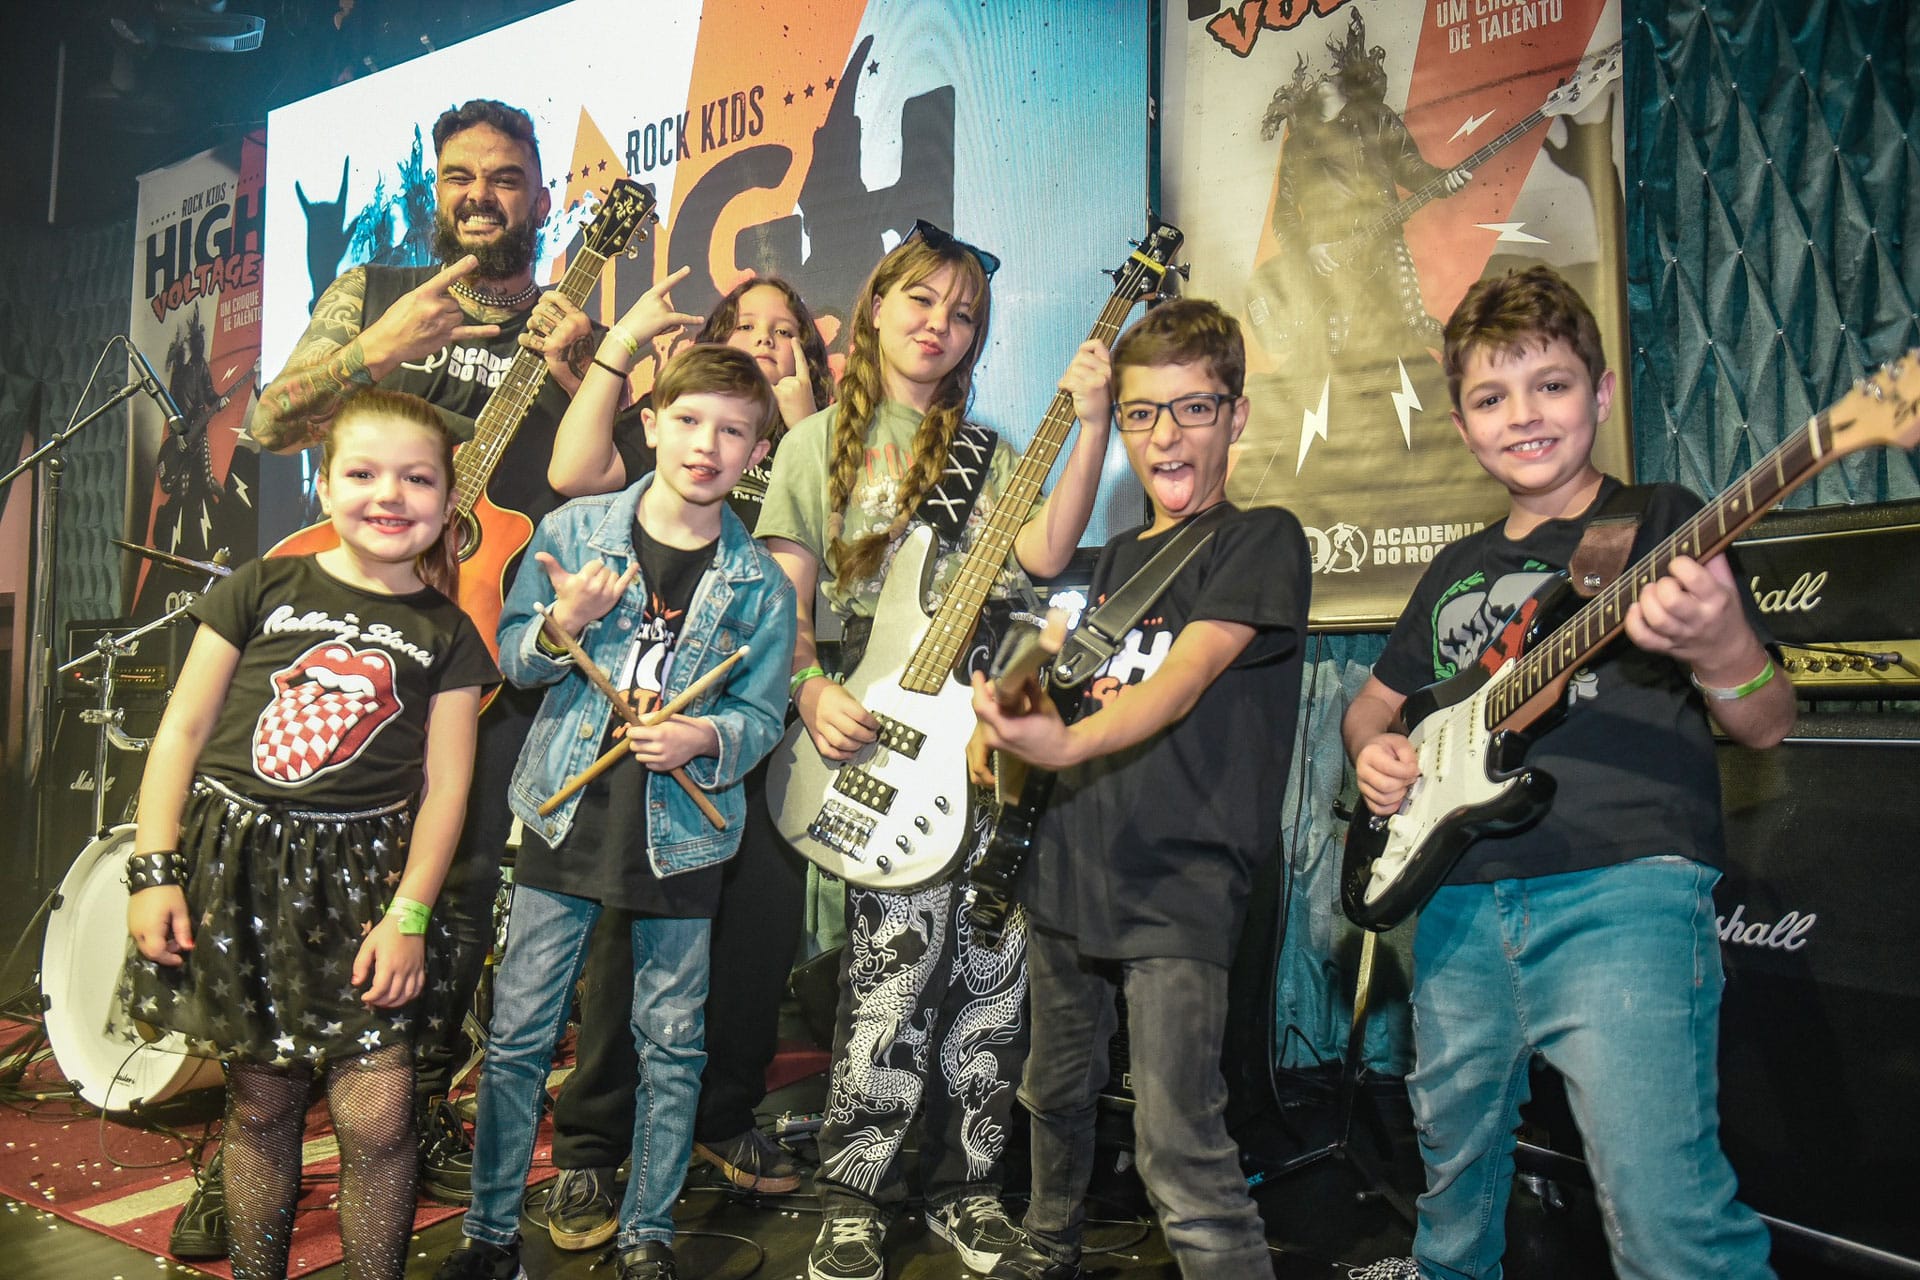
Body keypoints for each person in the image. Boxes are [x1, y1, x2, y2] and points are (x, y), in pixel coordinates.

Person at [1338, 265, 1792, 1280]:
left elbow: (1765, 722)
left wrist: (1722, 647)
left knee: (1665, 1216)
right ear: (1461, 426)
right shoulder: (1454, 567)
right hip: (1453, 903)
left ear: (1601, 392)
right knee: (1452, 1200)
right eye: (1492, 397)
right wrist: (1375, 747)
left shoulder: (1660, 516)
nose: (1524, 414)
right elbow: (1372, 702)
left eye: (1549, 383)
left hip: (1622, 888)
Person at [244, 97, 637, 1215]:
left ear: (543, 198)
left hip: (484, 649)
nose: (480, 195)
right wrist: (376, 351)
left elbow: (631, 477)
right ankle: (257, 1113)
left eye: (505, 177)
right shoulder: (375, 293)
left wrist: (579, 375)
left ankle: (406, 1100)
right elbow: (273, 421)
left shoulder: (569, 330)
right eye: (459, 175)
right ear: (433, 189)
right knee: (296, 869)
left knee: (458, 884)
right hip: (346, 634)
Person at [756, 221, 1112, 1280]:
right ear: (875, 305)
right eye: (922, 301)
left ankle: (970, 1191)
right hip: (877, 740)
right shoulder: (815, 443)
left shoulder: (991, 451)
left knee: (993, 983)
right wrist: (809, 690)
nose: (939, 325)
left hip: (983, 751)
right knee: (888, 980)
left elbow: (1047, 551)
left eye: (963, 315)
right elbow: (787, 598)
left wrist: (1089, 423)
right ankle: (855, 1195)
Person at [431, 342, 798, 1280]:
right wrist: (563, 626)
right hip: (566, 816)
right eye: (687, 421)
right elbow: (512, 659)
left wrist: (701, 740)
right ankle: (488, 1234)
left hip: (682, 832)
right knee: (516, 1037)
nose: (706, 445)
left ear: (758, 452)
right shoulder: (575, 528)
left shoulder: (760, 583)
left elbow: (759, 717)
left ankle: (648, 1233)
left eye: (732, 431)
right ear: (651, 424)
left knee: (672, 1042)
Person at [970, 298, 1311, 1280]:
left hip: (1181, 879)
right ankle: (1047, 1242)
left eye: (1194, 408)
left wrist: (1064, 741)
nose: (1167, 433)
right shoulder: (1117, 558)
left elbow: (1181, 683)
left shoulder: (1260, 541)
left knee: (1177, 1144)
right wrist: (1011, 734)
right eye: (1144, 412)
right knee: (1050, 1090)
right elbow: (1067, 657)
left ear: (1235, 417)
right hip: (1071, 863)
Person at [124, 389, 499, 1280]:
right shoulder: (262, 587)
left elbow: (449, 786)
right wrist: (152, 870)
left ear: (449, 503)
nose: (389, 495)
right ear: (323, 485)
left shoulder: (447, 632)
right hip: (241, 875)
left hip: (366, 886)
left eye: (416, 478)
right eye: (363, 473)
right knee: (260, 1108)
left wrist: (408, 917)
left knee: (379, 1117)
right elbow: (179, 734)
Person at [537, 271, 836, 1250]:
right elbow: (573, 470)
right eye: (744, 326)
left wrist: (797, 420)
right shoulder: (670, 435)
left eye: (784, 331)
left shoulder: (807, 443)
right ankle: (590, 1147)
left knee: (756, 933)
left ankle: (721, 1119)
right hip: (647, 739)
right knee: (631, 948)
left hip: (755, 726)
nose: (763, 341)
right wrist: (622, 350)